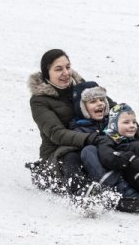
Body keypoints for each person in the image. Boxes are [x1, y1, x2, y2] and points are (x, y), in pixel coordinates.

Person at [28, 49, 104, 197]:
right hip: (58, 151)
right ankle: (81, 193)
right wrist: (90, 138)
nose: (66, 73)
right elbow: (56, 133)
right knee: (71, 156)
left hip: (90, 141)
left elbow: (111, 108)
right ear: (47, 73)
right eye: (58, 69)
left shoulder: (83, 88)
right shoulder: (39, 100)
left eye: (67, 67)